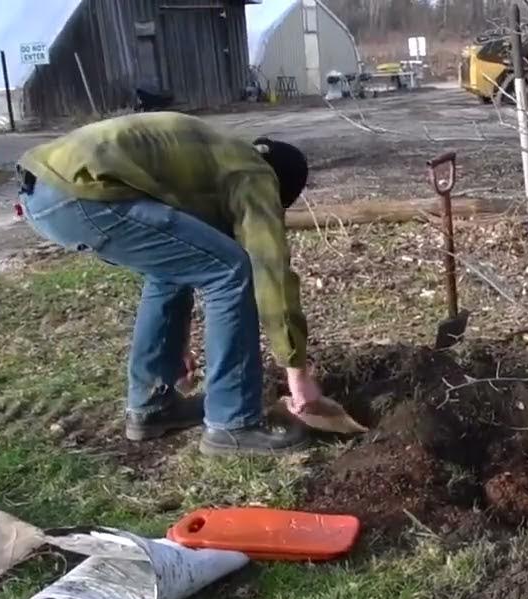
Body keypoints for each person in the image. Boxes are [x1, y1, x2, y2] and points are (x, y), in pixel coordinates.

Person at [16, 112, 321, 457]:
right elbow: (270, 270)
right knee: (232, 269)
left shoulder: (213, 161)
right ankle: (233, 423)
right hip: (81, 191)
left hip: (45, 188)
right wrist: (298, 375)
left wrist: (177, 345)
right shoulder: (256, 173)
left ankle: (152, 406)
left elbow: (182, 260)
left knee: (171, 271)